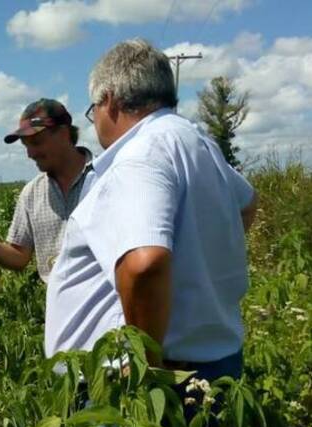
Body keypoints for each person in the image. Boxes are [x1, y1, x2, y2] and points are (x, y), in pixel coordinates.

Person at [45, 39, 258, 381]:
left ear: (110, 101)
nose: (96, 120)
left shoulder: (140, 156)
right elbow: (247, 205)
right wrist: (199, 263)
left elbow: (144, 266)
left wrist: (148, 365)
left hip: (138, 386)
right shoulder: (196, 142)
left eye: (93, 109)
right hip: (215, 363)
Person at [0, 98, 94, 282]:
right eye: (26, 146)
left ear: (63, 134)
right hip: (58, 306)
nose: (30, 154)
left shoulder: (106, 178)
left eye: (36, 142)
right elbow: (19, 256)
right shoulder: (31, 193)